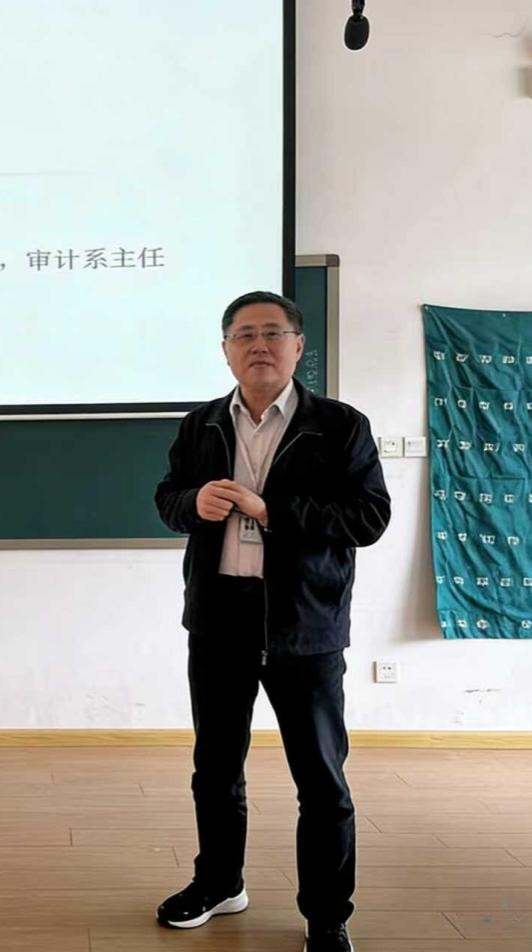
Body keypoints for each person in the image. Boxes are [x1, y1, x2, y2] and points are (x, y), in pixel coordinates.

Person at [153, 291, 390, 952]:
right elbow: (167, 498)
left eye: (273, 333)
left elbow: (368, 518)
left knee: (321, 780)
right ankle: (219, 884)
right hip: (219, 619)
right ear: (226, 349)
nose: (259, 346)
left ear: (298, 346)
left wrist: (271, 509)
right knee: (215, 768)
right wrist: (192, 502)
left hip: (304, 625)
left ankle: (327, 915)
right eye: (245, 335)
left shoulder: (340, 426)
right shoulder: (201, 425)